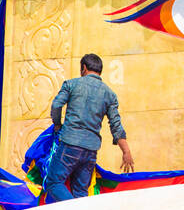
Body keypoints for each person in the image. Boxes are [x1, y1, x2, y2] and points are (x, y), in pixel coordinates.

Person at [45, 53, 134, 201]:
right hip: (90, 151)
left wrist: (57, 124)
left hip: (70, 144)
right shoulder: (109, 94)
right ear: (100, 71)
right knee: (80, 192)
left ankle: (72, 209)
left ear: (84, 68)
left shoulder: (71, 84)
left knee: (54, 182)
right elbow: (116, 126)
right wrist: (126, 151)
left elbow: (56, 105)